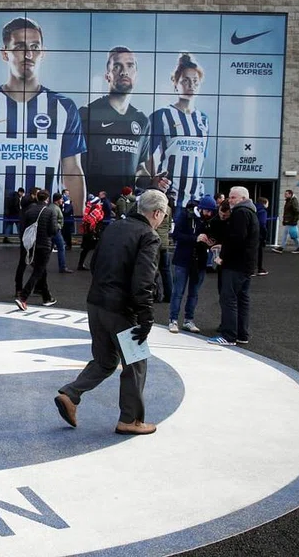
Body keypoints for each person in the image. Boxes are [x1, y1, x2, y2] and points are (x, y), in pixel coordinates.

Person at [54, 188, 168, 436]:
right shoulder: (149, 236)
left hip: (96, 303)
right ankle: (131, 420)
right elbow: (144, 281)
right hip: (122, 309)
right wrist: (146, 317)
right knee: (136, 363)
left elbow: (95, 264)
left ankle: (71, 394)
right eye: (164, 215)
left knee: (105, 361)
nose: (163, 220)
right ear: (157, 213)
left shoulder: (114, 227)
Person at [0, 17, 86, 231]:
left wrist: (79, 226)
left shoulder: (64, 107)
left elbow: (72, 170)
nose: (28, 55)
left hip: (47, 222)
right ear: (4, 53)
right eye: (20, 47)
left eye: (35, 47)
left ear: (43, 52)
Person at [80, 47, 150, 203]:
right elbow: (73, 166)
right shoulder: (87, 114)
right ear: (108, 75)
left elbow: (139, 167)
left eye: (130, 66)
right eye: (117, 66)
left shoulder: (142, 120)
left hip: (127, 206)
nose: (124, 72)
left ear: (136, 75)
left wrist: (152, 182)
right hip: (96, 206)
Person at [144, 53, 210, 209]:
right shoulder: (162, 115)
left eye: (195, 81)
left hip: (195, 199)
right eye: (185, 80)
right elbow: (146, 155)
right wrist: (154, 181)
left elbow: (202, 158)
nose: (191, 85)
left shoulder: (203, 119)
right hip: (169, 196)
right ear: (175, 83)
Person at [207, 186, 260, 346]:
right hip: (246, 264)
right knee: (242, 298)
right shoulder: (252, 213)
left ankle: (228, 335)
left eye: (233, 198)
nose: (229, 201)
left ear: (243, 199)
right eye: (229, 197)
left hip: (235, 265)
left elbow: (236, 239)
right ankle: (242, 334)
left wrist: (222, 257)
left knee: (228, 298)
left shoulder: (240, 213)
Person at [168, 195, 217, 333]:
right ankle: (173, 320)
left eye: (211, 212)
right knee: (178, 291)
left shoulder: (209, 220)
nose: (209, 214)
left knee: (194, 293)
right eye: (207, 211)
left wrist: (210, 241)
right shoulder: (185, 215)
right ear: (201, 208)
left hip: (200, 260)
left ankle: (189, 320)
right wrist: (196, 238)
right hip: (183, 259)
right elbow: (176, 235)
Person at [15, 189, 60, 309]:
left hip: (31, 245)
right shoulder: (50, 211)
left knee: (41, 270)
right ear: (47, 199)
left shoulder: (29, 211)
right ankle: (23, 297)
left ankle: (46, 297)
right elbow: (53, 230)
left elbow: (24, 227)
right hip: (44, 245)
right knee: (38, 271)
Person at [76, 195, 104, 270]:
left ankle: (80, 264)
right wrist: (94, 232)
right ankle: (95, 265)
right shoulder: (96, 211)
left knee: (86, 250)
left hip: (88, 233)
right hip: (93, 233)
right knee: (97, 249)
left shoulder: (89, 209)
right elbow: (92, 222)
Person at [50, 192, 72, 274]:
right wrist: (58, 227)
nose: (63, 200)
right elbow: (54, 221)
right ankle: (62, 267)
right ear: (58, 200)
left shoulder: (53, 207)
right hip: (55, 231)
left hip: (53, 230)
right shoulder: (55, 209)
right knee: (61, 247)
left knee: (49, 248)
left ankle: (38, 264)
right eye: (61, 199)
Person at [255, 196, 270, 276]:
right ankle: (259, 269)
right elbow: (262, 224)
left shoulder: (253, 209)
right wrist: (265, 235)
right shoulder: (263, 211)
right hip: (259, 234)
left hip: (252, 233)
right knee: (259, 252)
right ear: (264, 203)